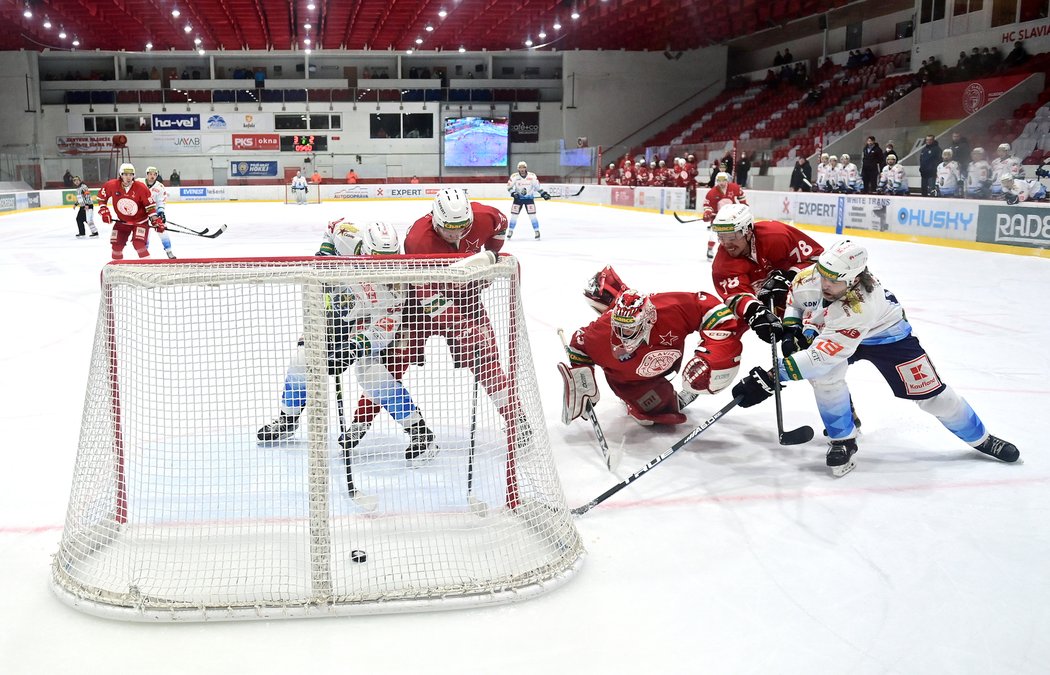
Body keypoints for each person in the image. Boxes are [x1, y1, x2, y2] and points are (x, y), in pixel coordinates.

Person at [731, 239, 1020, 476]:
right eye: (823, 275)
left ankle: (982, 439)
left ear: (854, 279)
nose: (824, 285)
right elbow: (796, 301)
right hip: (837, 331)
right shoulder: (813, 277)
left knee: (934, 398)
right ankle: (843, 438)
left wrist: (771, 377)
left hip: (887, 336)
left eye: (833, 281)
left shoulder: (860, 306)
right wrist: (793, 327)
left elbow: (821, 356)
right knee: (826, 379)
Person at [343, 189, 526, 454]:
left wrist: (490, 262)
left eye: (462, 227)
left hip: (467, 301)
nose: (456, 235)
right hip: (420, 309)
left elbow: (501, 227)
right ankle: (360, 423)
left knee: (488, 363)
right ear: (434, 219)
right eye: (448, 229)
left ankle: (516, 420)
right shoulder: (417, 240)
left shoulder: (484, 216)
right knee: (392, 365)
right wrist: (461, 327)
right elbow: (428, 296)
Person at [257, 221, 440, 467]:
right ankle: (287, 420)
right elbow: (331, 227)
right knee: (302, 363)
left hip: (362, 325)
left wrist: (352, 348)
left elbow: (382, 329)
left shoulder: (397, 287)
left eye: (389, 259)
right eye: (377, 259)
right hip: (331, 313)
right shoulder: (350, 238)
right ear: (365, 250)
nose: (383, 266)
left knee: (373, 376)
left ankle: (420, 432)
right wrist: (324, 256)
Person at [561, 273, 742, 427]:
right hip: (630, 382)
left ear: (648, 319)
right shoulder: (602, 330)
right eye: (619, 327)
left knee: (666, 416)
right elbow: (580, 344)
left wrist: (714, 352)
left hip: (665, 364)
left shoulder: (669, 309)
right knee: (661, 414)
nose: (623, 335)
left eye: (630, 328)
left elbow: (711, 309)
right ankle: (641, 399)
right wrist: (582, 376)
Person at [709, 203, 824, 345]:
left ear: (748, 231)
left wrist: (789, 276)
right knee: (724, 331)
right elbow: (737, 296)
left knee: (803, 340)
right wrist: (756, 313)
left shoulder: (777, 235)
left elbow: (817, 258)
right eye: (722, 237)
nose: (727, 244)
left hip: (796, 295)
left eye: (732, 237)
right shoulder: (722, 264)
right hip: (759, 297)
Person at [96, 163, 163, 260]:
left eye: (131, 174)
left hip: (140, 222)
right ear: (121, 175)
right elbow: (102, 198)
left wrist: (155, 220)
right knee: (116, 246)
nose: (128, 177)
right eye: (126, 174)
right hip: (122, 222)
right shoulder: (112, 185)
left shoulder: (141, 187)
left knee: (139, 244)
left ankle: (148, 266)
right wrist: (104, 210)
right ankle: (117, 270)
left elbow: (150, 207)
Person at [701, 171, 748, 261]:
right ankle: (710, 249)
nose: (721, 183)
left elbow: (741, 195)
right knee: (714, 234)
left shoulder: (734, 187)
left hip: (732, 217)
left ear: (727, 180)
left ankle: (736, 250)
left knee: (734, 235)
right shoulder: (712, 192)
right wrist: (707, 212)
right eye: (719, 181)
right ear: (716, 181)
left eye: (723, 181)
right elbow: (707, 205)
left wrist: (744, 204)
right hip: (718, 217)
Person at [505, 160, 550, 239]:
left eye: (523, 167)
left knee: (532, 215)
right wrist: (513, 193)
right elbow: (509, 187)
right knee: (514, 216)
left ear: (526, 168)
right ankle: (510, 231)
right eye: (520, 168)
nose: (522, 169)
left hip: (529, 199)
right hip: (518, 200)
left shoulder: (532, 176)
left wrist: (543, 194)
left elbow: (537, 187)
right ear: (518, 168)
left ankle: (536, 231)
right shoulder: (514, 176)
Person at [143, 166, 175, 259]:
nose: (152, 176)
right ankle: (145, 255)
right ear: (147, 175)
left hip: (154, 211)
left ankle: (169, 251)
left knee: (162, 230)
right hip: (142, 212)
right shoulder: (139, 182)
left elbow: (161, 201)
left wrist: (161, 212)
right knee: (145, 232)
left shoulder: (160, 187)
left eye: (154, 174)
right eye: (150, 174)